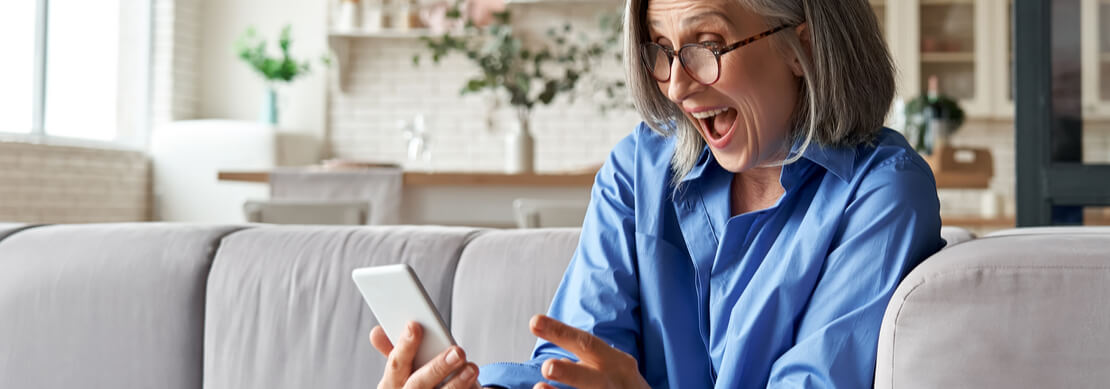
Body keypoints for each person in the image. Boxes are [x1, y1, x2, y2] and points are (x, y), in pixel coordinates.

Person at [368, 0, 944, 387]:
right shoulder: (638, 169)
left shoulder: (882, 192)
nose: (675, 84)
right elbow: (574, 363)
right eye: (660, 49)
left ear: (803, 47)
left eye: (706, 44)